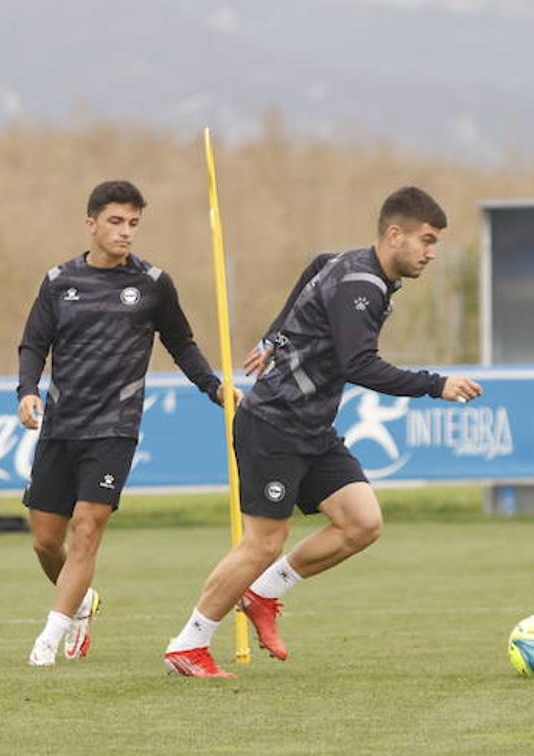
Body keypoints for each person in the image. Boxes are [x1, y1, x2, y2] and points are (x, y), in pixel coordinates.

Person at [163, 186, 483, 677]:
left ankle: (264, 593)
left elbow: (315, 264)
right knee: (262, 544)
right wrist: (435, 384)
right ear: (394, 234)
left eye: (435, 242)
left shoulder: (354, 265)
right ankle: (189, 643)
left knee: (361, 521)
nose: (432, 252)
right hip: (273, 424)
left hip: (312, 429)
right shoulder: (363, 286)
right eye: (425, 239)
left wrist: (274, 335)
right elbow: (360, 365)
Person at [18, 180, 233, 667]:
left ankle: (49, 638)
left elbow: (181, 345)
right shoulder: (58, 281)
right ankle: (83, 602)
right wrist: (27, 390)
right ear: (91, 224)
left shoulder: (154, 284)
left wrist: (214, 388)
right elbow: (34, 344)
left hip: (115, 426)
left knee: (87, 528)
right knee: (46, 541)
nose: (125, 232)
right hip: (60, 425)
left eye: (134, 223)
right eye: (116, 222)